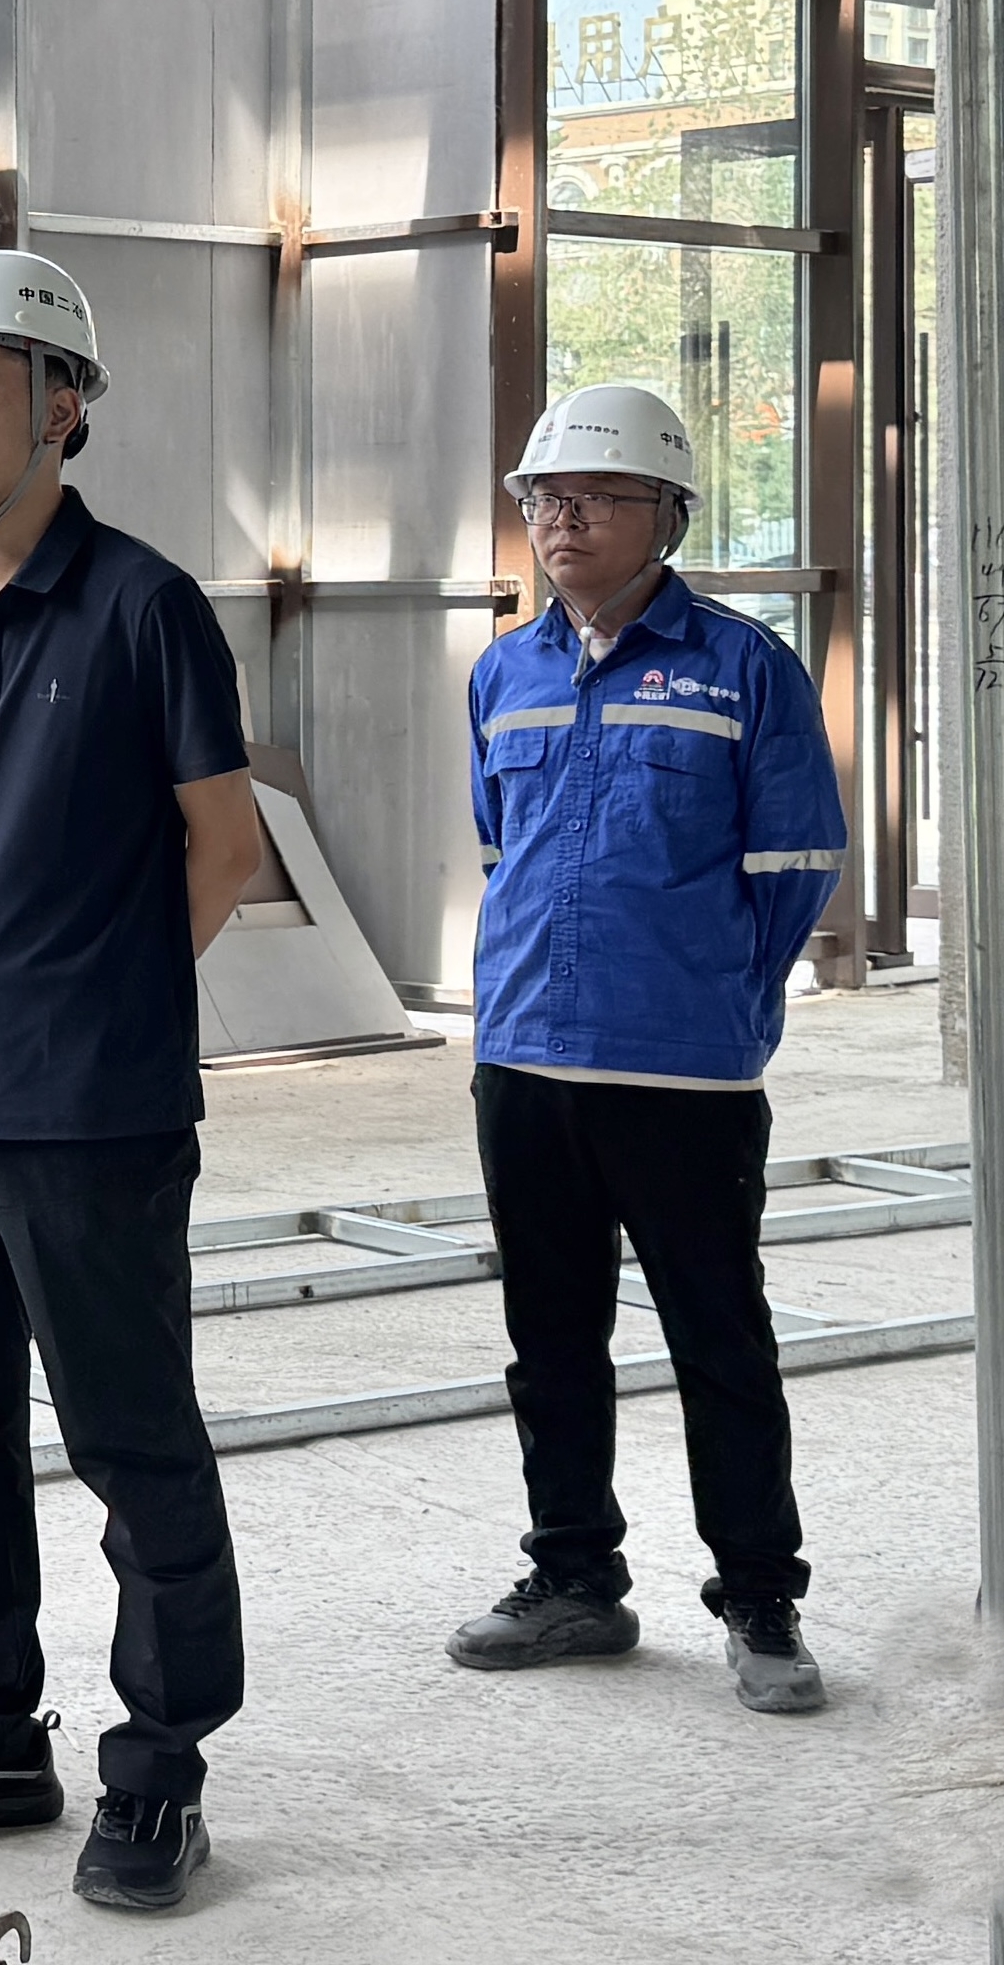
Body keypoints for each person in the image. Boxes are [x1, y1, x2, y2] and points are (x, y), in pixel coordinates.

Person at [0, 250, 261, 1915]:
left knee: (132, 1445)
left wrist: (102, 994)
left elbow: (223, 846)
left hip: (94, 1112)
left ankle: (159, 1770)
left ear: (62, 406)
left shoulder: (148, 607)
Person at [447, 384, 844, 1713]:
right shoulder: (502, 673)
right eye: (545, 499)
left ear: (667, 516)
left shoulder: (745, 667)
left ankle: (762, 1597)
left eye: (597, 497)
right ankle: (574, 1578)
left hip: (682, 1072)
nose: (562, 519)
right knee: (550, 1338)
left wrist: (708, 996)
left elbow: (795, 865)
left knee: (719, 1340)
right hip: (525, 1063)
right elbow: (502, 853)